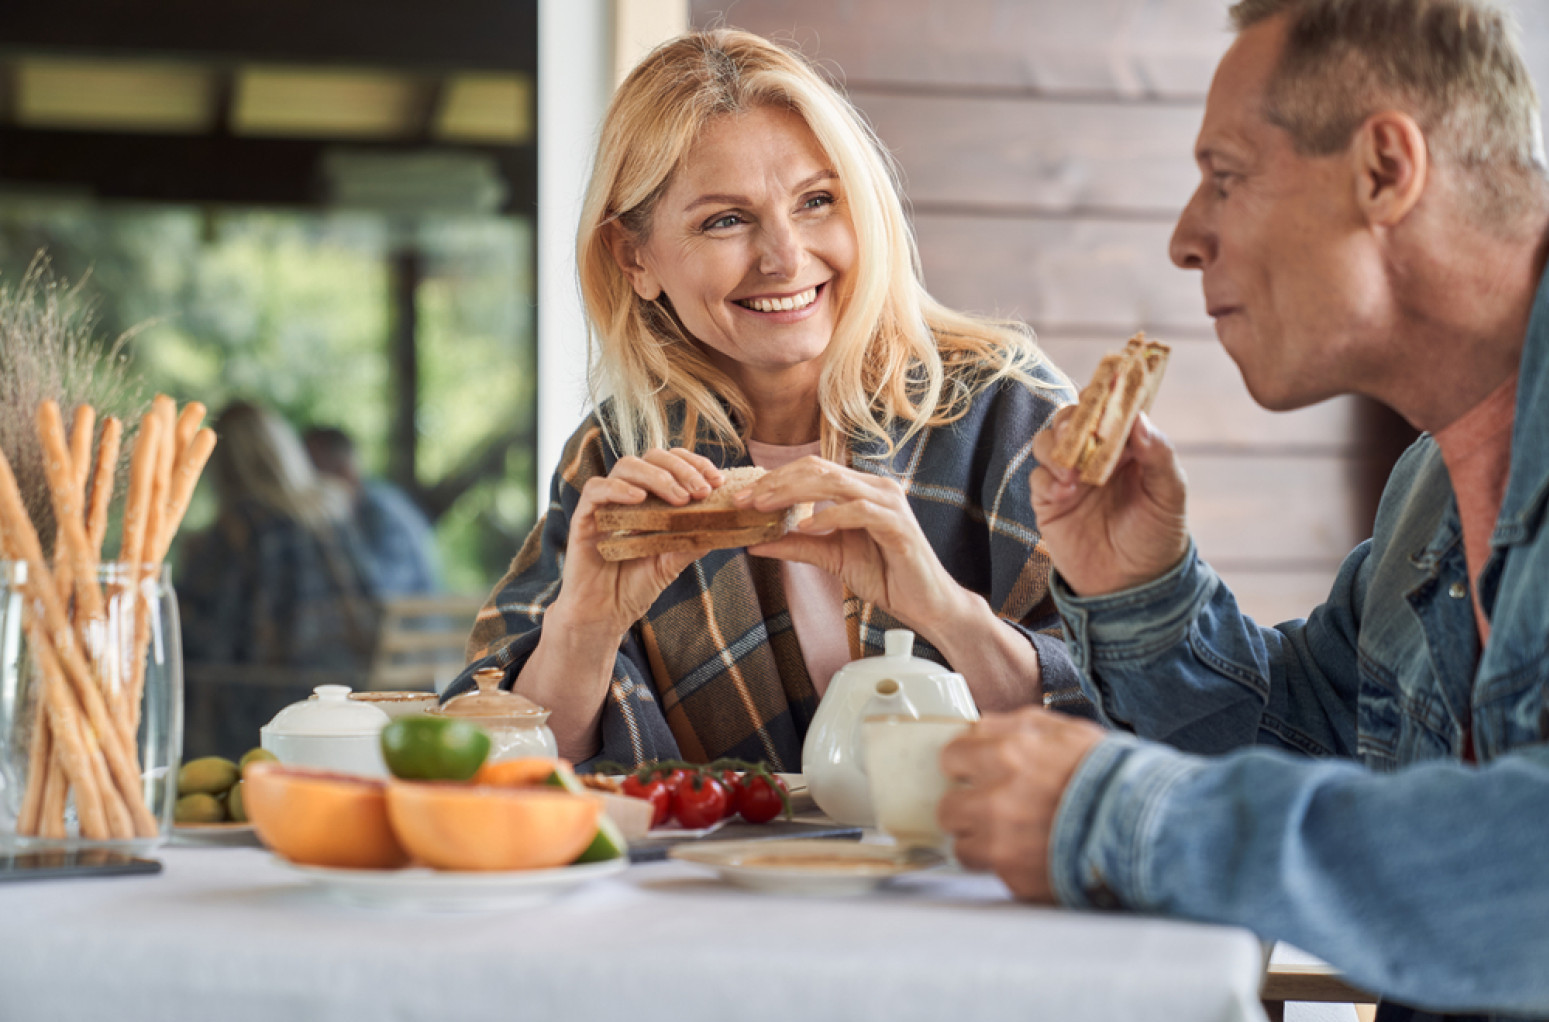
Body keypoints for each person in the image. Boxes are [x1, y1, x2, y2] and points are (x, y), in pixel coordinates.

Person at [937, 1, 1549, 1019]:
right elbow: (1304, 744)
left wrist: (1125, 813)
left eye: (1225, 177)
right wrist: (1142, 593)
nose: (1185, 238)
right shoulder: (1428, 489)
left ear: (1384, 170)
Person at [451, 28, 1090, 769]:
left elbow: (1137, 712)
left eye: (816, 201)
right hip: (726, 883)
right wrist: (583, 630)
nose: (785, 257)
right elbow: (493, 758)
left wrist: (943, 611)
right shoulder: (619, 453)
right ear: (635, 258)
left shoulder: (1007, 407)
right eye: (724, 220)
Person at [177, 401, 380, 671]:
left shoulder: (238, 529)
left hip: (261, 698)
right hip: (345, 688)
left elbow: (200, 637)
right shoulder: (332, 512)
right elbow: (373, 606)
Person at [303, 425, 441, 598]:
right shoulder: (371, 503)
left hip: (412, 622)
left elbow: (382, 590)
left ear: (343, 470)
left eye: (312, 474)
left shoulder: (381, 511)